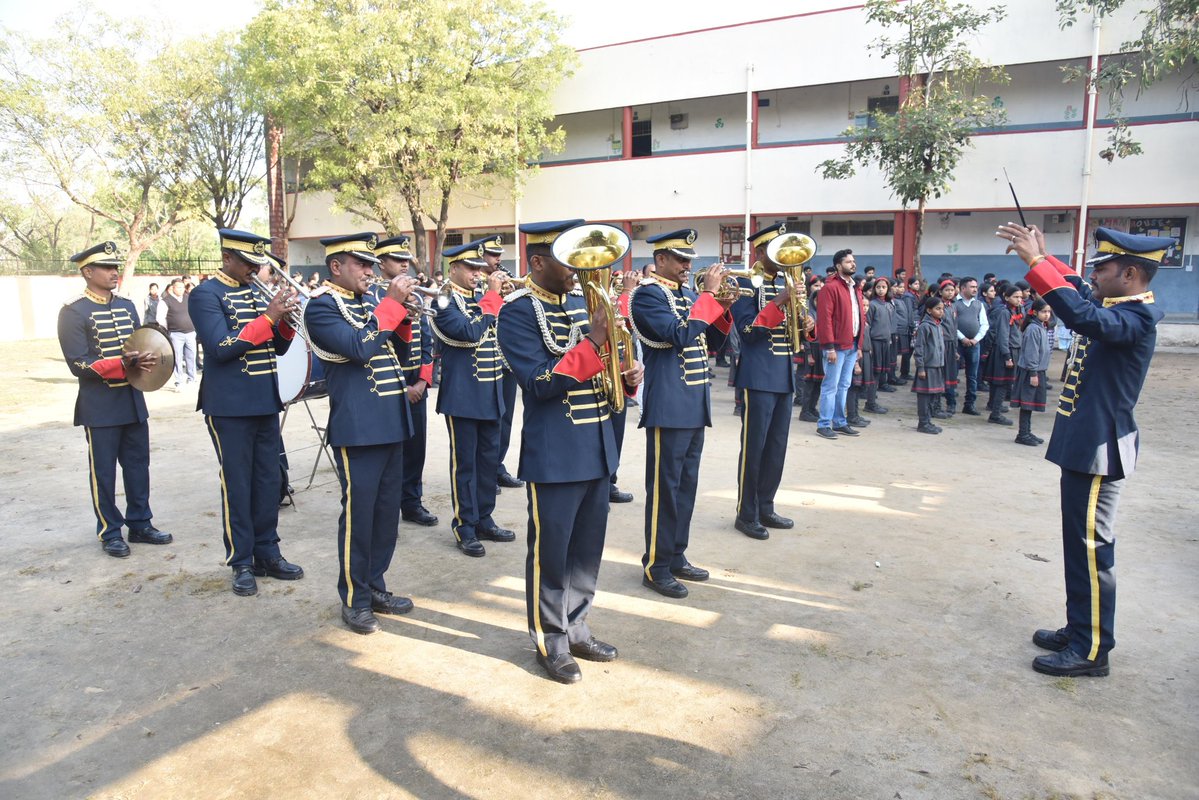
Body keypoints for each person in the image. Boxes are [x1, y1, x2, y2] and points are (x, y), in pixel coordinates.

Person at [996, 222, 1170, 678]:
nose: (1094, 274)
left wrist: (1036, 265)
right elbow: (1076, 290)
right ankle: (1080, 629)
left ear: (1130, 274)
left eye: (1104, 267)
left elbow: (1081, 316)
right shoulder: (1118, 303)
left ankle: (1092, 650)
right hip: (1085, 445)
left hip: (1099, 449)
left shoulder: (1135, 317)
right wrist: (1046, 260)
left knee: (1092, 549)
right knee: (1079, 547)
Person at [496, 218, 643, 684]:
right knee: (552, 553)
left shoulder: (583, 302)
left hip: (597, 446)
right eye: (568, 258)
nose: (580, 268)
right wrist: (595, 341)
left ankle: (577, 626)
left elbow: (600, 371)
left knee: (585, 551)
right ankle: (550, 640)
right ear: (537, 262)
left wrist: (625, 374)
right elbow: (541, 383)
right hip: (556, 449)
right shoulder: (516, 312)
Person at [305, 232, 418, 634]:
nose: (370, 271)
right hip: (358, 426)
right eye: (361, 264)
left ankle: (375, 585)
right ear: (336, 267)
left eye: (371, 264)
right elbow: (359, 347)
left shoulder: (371, 304)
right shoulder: (321, 308)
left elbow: (397, 357)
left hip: (391, 420)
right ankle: (354, 597)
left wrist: (403, 319)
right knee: (359, 514)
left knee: (387, 514)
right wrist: (391, 306)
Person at [189, 228, 304, 597]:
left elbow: (281, 348)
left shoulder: (257, 292)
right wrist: (270, 317)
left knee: (268, 481)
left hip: (264, 400)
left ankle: (268, 551)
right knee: (238, 484)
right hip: (229, 406)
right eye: (249, 263)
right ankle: (241, 561)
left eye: (259, 263)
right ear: (228, 258)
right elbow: (221, 347)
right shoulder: (205, 294)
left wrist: (285, 319)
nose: (256, 270)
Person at [629, 229, 732, 599]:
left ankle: (676, 555)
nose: (688, 266)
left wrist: (724, 305)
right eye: (680, 260)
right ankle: (655, 566)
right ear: (660, 260)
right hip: (669, 404)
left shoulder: (688, 294)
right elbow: (678, 335)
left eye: (690, 260)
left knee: (685, 487)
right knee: (664, 491)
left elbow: (715, 343)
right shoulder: (647, 296)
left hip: (694, 403)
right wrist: (707, 297)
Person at [58, 242, 172, 558]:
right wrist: (122, 364)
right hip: (100, 405)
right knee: (104, 472)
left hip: (132, 399)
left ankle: (140, 524)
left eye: (115, 267)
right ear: (87, 272)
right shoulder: (73, 311)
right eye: (107, 268)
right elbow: (77, 363)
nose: (114, 272)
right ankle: (110, 531)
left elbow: (138, 342)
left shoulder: (125, 305)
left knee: (138, 466)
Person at [429, 239, 513, 557]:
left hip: (491, 391)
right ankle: (464, 524)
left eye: (480, 269)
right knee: (465, 464)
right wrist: (492, 297)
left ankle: (484, 519)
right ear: (454, 268)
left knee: (488, 460)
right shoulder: (442, 298)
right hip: (463, 395)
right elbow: (468, 333)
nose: (477, 274)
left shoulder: (480, 298)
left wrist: (494, 298)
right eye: (470, 268)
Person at [729, 224, 810, 540]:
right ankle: (745, 514)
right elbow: (748, 332)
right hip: (758, 376)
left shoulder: (790, 283)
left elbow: (799, 335)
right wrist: (779, 301)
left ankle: (765, 505)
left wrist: (806, 320)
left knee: (776, 448)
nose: (784, 257)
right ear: (760, 252)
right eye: (776, 250)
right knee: (754, 448)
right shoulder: (745, 284)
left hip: (784, 375)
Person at [370, 236, 439, 528]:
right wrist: (402, 387)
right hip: (385, 387)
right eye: (397, 260)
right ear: (382, 263)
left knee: (415, 449)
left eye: (405, 260)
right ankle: (384, 510)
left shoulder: (418, 297)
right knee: (387, 455)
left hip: (415, 386)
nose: (403, 265)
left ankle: (412, 502)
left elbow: (427, 344)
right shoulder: (373, 297)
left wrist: (422, 383)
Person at [469, 234, 524, 491]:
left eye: (499, 254)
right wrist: (493, 293)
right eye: (492, 254)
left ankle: (497, 465)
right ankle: (485, 470)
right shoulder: (473, 284)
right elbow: (475, 318)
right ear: (479, 255)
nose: (498, 259)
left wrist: (510, 296)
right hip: (482, 362)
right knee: (488, 420)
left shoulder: (505, 279)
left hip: (505, 359)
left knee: (506, 418)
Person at [814, 248, 868, 440]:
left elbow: (858, 317)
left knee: (844, 385)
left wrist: (859, 345)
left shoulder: (855, 288)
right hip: (835, 346)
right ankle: (824, 424)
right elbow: (825, 319)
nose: (853, 264)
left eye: (853, 261)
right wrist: (829, 347)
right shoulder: (830, 288)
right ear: (838, 266)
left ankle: (839, 421)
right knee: (831, 385)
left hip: (852, 344)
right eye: (848, 262)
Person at [1011, 298, 1052, 446]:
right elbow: (1031, 353)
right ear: (1035, 312)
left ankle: (1027, 431)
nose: (1047, 315)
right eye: (1043, 312)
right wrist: (1033, 373)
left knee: (1031, 403)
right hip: (1030, 371)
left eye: (1048, 312)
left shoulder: (1041, 327)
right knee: (1027, 403)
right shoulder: (1033, 329)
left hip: (1038, 370)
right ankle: (1022, 434)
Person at [985, 284, 1025, 426]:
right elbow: (1003, 335)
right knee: (1002, 383)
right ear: (1006, 297)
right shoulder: (1005, 313)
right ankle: (995, 414)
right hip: (1005, 352)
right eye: (1015, 297)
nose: (1019, 299)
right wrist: (1007, 356)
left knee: (1003, 383)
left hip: (1013, 350)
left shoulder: (1016, 311)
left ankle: (995, 409)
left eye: (1020, 297)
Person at [953, 276, 989, 415]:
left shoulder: (979, 304)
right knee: (953, 373)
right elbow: (952, 324)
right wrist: (962, 338)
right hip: (957, 344)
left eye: (976, 287)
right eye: (972, 287)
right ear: (963, 288)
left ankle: (969, 404)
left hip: (974, 344)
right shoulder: (954, 304)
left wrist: (976, 339)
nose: (975, 289)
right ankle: (951, 403)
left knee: (972, 376)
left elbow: (984, 324)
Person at [911, 296, 946, 434]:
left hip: (937, 366)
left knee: (933, 396)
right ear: (929, 310)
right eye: (938, 309)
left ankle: (929, 421)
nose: (941, 311)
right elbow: (919, 348)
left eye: (942, 309)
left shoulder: (938, 325)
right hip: (927, 367)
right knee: (924, 397)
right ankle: (923, 422)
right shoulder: (925, 326)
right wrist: (920, 367)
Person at [160, 278, 197, 389]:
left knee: (191, 356)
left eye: (182, 287)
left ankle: (192, 378)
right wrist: (170, 328)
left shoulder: (188, 298)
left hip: (190, 333)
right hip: (176, 334)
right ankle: (179, 381)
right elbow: (160, 318)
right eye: (178, 287)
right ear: (173, 288)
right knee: (177, 358)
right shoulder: (166, 301)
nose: (181, 289)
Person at [865, 277, 894, 411]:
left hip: (885, 342)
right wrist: (869, 345)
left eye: (884, 287)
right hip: (874, 342)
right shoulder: (872, 305)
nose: (881, 290)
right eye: (878, 287)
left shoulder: (889, 305)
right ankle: (870, 403)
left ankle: (872, 400)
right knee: (874, 373)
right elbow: (868, 326)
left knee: (881, 373)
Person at [935, 279, 959, 418]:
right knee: (940, 374)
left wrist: (955, 348)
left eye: (952, 290)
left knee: (951, 374)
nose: (950, 293)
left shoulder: (953, 307)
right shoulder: (938, 307)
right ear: (940, 292)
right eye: (947, 290)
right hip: (940, 344)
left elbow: (955, 328)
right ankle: (936, 405)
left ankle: (951, 403)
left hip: (951, 344)